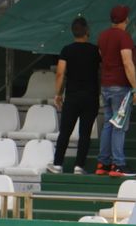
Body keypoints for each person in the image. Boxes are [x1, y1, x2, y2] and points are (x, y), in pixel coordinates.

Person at [48, 16, 102, 175]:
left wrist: (57, 93)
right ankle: (79, 166)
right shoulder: (95, 50)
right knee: (85, 133)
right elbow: (102, 69)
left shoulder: (66, 50)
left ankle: (58, 164)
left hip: (72, 96)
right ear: (87, 31)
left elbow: (60, 73)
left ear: (73, 32)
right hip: (91, 96)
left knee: (65, 131)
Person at [96, 6, 136, 177]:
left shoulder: (102, 36)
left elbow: (102, 57)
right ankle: (118, 164)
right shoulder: (124, 37)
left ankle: (103, 163)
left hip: (105, 85)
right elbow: (127, 63)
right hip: (120, 86)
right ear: (125, 19)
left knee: (108, 124)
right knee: (119, 126)